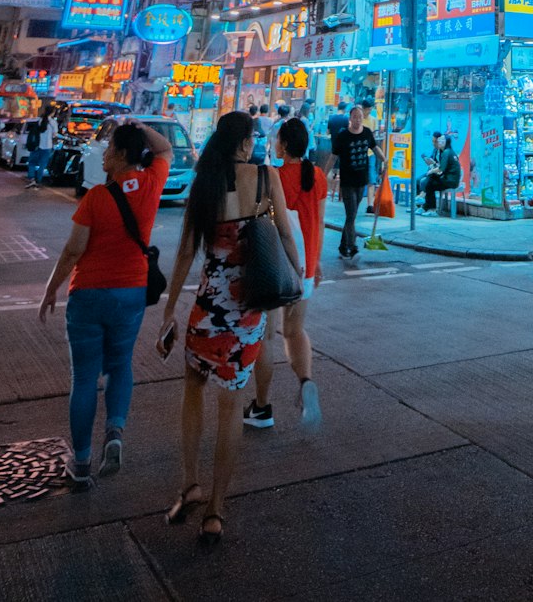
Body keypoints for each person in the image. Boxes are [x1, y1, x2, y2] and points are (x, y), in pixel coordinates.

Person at [159, 110, 301, 543]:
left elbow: (185, 252)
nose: (256, 144)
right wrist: (298, 281)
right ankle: (216, 510)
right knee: (230, 408)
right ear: (244, 143)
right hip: (248, 312)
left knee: (193, 390)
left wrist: (168, 311)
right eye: (253, 138)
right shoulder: (263, 177)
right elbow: (287, 237)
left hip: (207, 307)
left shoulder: (205, 182)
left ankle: (189, 485)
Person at [38, 119, 172, 489]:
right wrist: (139, 126)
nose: (105, 155)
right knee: (120, 365)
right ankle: (115, 431)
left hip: (89, 295)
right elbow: (164, 150)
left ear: (118, 155)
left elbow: (73, 249)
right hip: (130, 291)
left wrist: (52, 288)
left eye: (111, 148)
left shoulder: (96, 197)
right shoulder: (151, 183)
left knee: (84, 378)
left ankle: (81, 465)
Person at [245, 118, 325, 432]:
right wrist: (315, 262)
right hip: (306, 266)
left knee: (267, 336)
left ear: (284, 145)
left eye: (278, 138)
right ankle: (306, 382)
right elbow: (318, 224)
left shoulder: (272, 176)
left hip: (278, 266)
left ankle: (262, 408)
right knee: (295, 331)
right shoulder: (317, 176)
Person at [332, 106, 384, 261]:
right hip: (347, 181)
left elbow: (375, 149)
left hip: (361, 180)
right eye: (355, 116)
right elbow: (333, 156)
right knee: (351, 213)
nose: (358, 119)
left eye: (360, 116)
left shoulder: (367, 133)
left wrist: (385, 160)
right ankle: (352, 246)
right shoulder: (343, 136)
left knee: (351, 216)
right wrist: (323, 173)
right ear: (350, 118)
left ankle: (343, 246)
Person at [422, 133, 461, 214]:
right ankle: (424, 205)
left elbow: (441, 169)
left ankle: (431, 208)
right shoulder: (448, 152)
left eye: (441, 141)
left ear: (445, 142)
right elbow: (442, 168)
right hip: (449, 180)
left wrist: (431, 171)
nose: (439, 142)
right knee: (430, 179)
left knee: (430, 184)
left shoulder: (446, 152)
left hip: (451, 182)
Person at [26, 105, 56, 188]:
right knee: (42, 164)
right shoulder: (53, 122)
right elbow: (54, 135)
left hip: (37, 145)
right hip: (47, 146)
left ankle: (31, 178)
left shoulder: (39, 121)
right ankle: (38, 180)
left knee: (32, 162)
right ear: (52, 113)